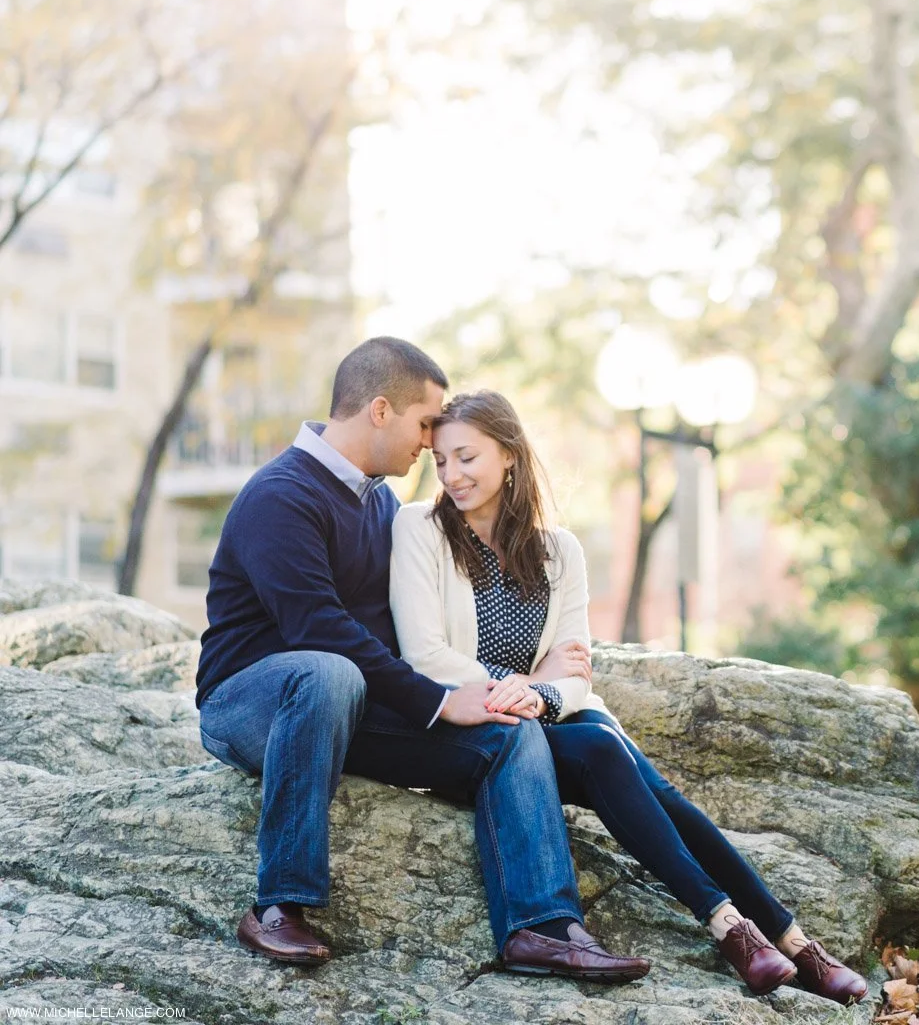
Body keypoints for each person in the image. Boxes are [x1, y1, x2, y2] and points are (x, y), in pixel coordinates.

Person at [390, 390, 870, 1006]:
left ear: (509, 454)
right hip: (483, 729)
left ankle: (787, 941)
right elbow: (425, 655)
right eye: (441, 461)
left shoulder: (559, 552)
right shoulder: (421, 530)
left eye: (466, 457)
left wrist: (540, 690)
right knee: (600, 745)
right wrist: (522, 686)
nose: (452, 475)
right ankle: (739, 928)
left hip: (550, 719)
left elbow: (576, 677)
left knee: (649, 784)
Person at [194, 338, 648, 982]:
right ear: (380, 411)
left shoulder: (379, 502)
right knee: (327, 669)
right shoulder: (280, 495)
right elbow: (315, 628)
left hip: (348, 709)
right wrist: (436, 701)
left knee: (504, 728)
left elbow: (398, 629)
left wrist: (510, 687)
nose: (430, 446)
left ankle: (541, 926)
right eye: (425, 424)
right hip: (251, 705)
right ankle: (278, 905)